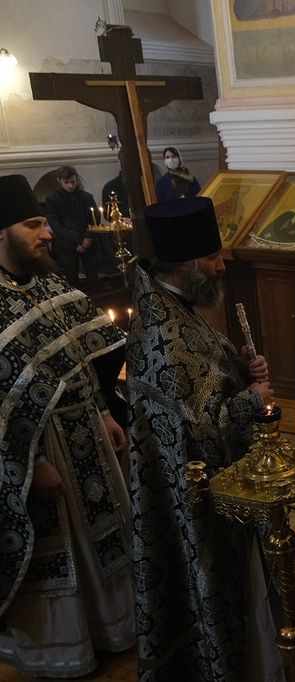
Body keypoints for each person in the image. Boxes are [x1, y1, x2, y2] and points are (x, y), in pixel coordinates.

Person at [127, 197, 281, 680]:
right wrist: (252, 398)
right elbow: (201, 434)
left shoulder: (176, 305)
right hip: (197, 501)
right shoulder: (163, 336)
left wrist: (240, 367)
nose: (222, 265)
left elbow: (207, 381)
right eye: (213, 257)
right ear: (187, 264)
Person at [0, 174, 134, 678]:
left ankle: (110, 630)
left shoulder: (50, 283)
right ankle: (62, 649)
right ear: (1, 232)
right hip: (37, 451)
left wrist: (103, 412)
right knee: (62, 548)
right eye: (33, 225)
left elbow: (80, 358)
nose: (48, 232)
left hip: (86, 434)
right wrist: (32, 463)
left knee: (103, 536)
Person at [45, 165, 100, 284]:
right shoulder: (52, 199)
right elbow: (56, 225)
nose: (70, 185)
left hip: (88, 243)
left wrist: (88, 237)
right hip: (66, 245)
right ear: (59, 181)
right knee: (72, 280)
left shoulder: (86, 197)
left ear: (76, 179)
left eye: (73, 182)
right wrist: (79, 240)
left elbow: (95, 219)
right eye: (66, 182)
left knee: (94, 278)